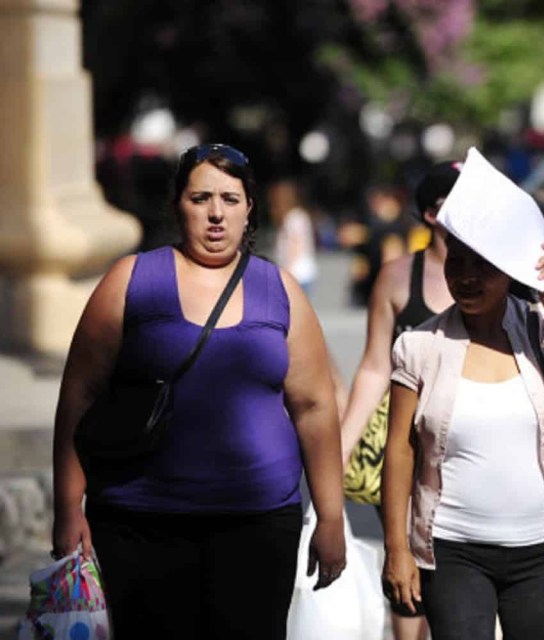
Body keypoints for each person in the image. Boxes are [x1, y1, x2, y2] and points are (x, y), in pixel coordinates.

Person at [50, 143, 347, 640]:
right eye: (200, 198)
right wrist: (67, 506)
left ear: (250, 208)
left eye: (230, 199)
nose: (216, 214)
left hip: (257, 526)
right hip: (138, 523)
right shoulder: (131, 280)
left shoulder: (280, 290)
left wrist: (331, 516)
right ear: (177, 206)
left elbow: (314, 407)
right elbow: (80, 393)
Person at [381, 150, 544, 640]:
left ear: (506, 270)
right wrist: (397, 548)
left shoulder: (538, 330)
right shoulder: (418, 346)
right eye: (457, 264)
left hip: (539, 552)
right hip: (452, 552)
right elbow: (400, 450)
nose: (467, 278)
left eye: (482, 266)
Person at [339, 160, 461, 640]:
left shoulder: (496, 276)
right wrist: (343, 447)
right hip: (407, 444)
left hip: (466, 443)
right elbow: (375, 366)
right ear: (431, 213)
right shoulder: (396, 277)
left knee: (458, 570)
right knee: (406, 565)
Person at [269, 178, 319, 294]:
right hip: (300, 273)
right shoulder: (298, 216)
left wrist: (286, 271)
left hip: (297, 274)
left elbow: (295, 245)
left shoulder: (293, 218)